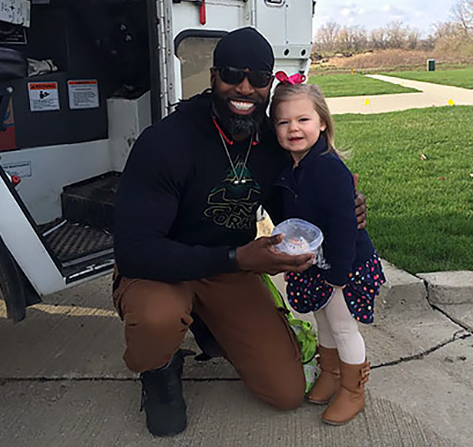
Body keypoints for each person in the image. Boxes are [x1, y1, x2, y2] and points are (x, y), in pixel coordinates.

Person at [112, 27, 366, 437]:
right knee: (158, 318)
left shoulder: (269, 141)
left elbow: (292, 207)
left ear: (270, 83)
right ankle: (158, 370)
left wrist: (341, 209)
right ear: (213, 76)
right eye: (232, 74)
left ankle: (210, 324)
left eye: (258, 78)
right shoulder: (166, 142)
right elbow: (134, 251)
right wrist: (238, 258)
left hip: (228, 270)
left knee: (285, 392)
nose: (244, 87)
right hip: (161, 270)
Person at [270, 82, 385, 425]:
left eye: (303, 119)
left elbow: (344, 225)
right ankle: (331, 374)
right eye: (283, 122)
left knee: (343, 327)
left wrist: (338, 274)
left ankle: (353, 390)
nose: (293, 128)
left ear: (322, 123)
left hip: (342, 265)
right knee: (322, 321)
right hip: (315, 264)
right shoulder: (291, 167)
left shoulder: (329, 169)